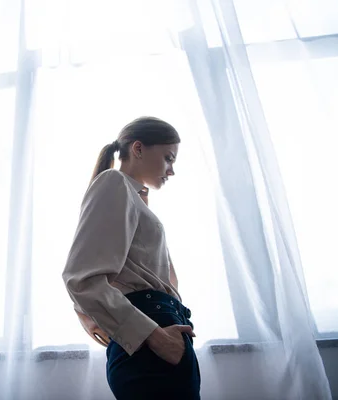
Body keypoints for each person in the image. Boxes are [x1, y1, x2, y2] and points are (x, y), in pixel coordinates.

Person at [62, 117, 201, 400]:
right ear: (138, 149)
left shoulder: (135, 198)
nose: (171, 171)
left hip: (162, 336)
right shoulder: (114, 182)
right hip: (153, 343)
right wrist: (156, 337)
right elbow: (81, 278)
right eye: (168, 158)